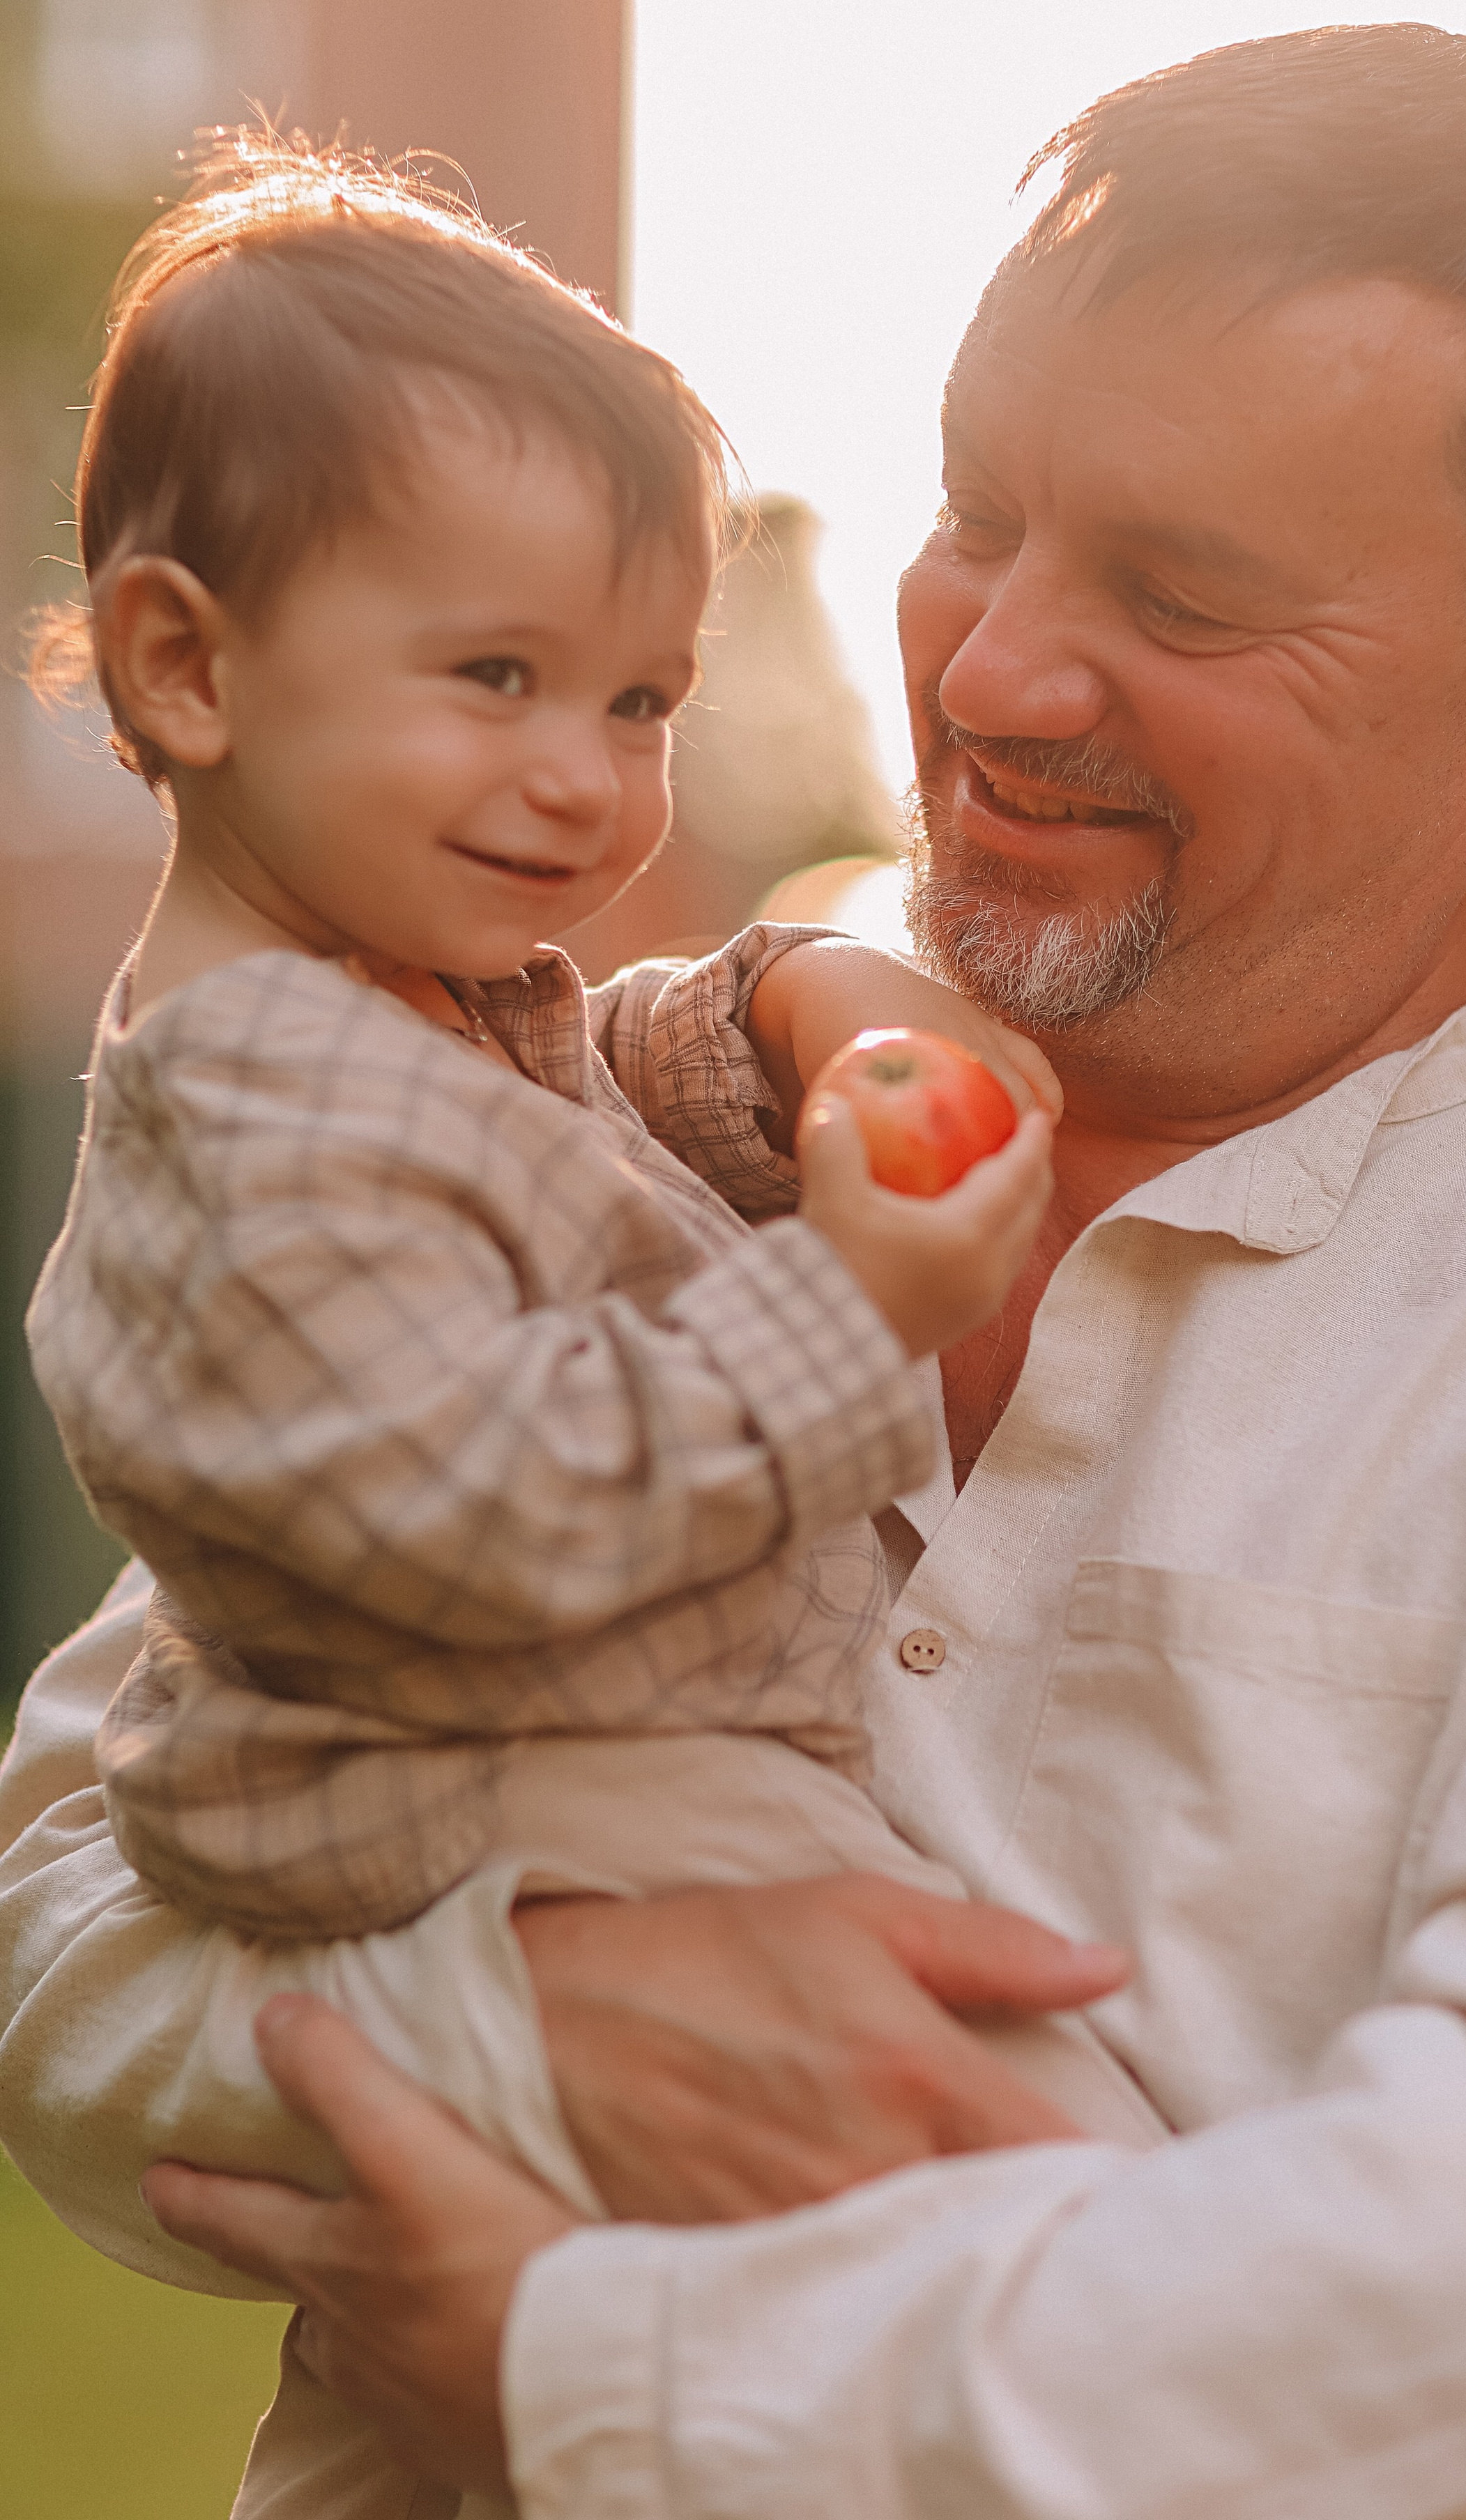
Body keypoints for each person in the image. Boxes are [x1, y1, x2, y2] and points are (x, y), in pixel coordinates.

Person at [8, 20, 1466, 2517]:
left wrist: (596, 2365)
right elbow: (74, 1882)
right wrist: (519, 2019)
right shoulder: (563, 1109)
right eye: (977, 512)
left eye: (1181, 592)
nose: (989, 672)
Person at [12, 135, 1162, 2520]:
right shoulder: (259, 1122)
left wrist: (816, 1007)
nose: (588, 778)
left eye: (641, 698)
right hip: (528, 1786)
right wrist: (858, 1304)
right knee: (1049, 2177)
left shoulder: (393, 1001)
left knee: (422, 2401)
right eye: (499, 677)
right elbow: (493, 1505)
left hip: (530, 1776)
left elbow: (609, 1063)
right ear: (182, 665)